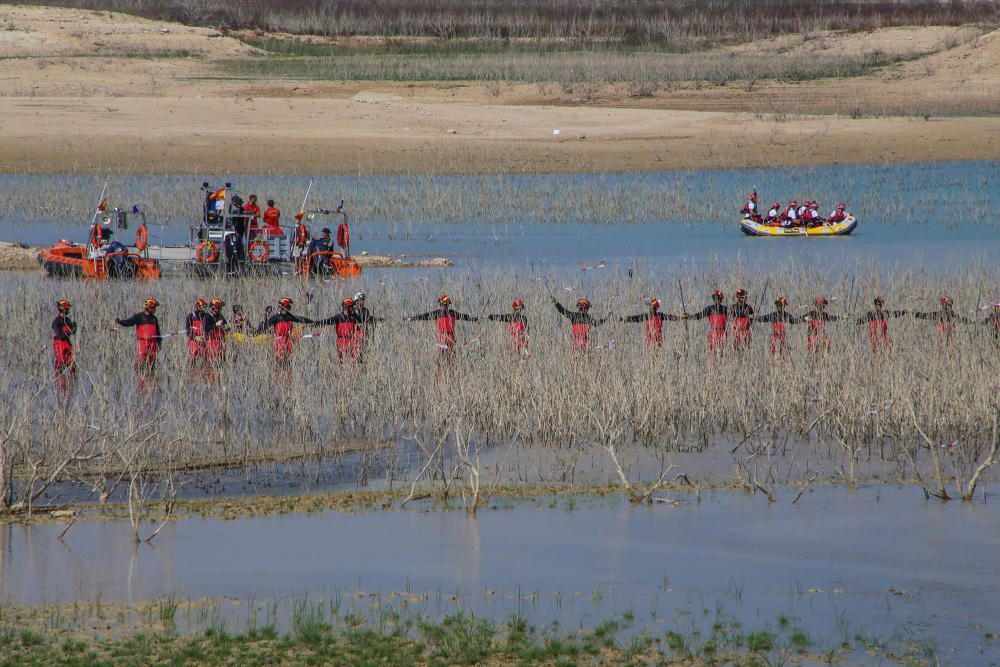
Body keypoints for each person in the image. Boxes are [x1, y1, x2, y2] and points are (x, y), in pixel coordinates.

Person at [408, 294, 479, 354]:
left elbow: (424, 316)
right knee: (450, 356)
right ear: (447, 304)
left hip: (443, 338)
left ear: (441, 304)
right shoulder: (452, 313)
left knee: (443, 357)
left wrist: (411, 318)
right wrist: (476, 319)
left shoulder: (438, 313)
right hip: (450, 338)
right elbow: (465, 317)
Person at [262, 297, 315, 366]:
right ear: (284, 307)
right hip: (279, 343)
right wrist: (266, 317)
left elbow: (301, 319)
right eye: (288, 306)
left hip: (288, 342)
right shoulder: (275, 317)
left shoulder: (289, 317)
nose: (289, 308)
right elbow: (266, 326)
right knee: (280, 362)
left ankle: (288, 374)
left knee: (288, 362)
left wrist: (313, 322)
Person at [117, 298, 162, 372]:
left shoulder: (154, 319)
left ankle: (151, 377)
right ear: (149, 308)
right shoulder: (138, 317)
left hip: (153, 343)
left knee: (152, 362)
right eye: (154, 308)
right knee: (140, 361)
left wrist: (159, 343)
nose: (155, 310)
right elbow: (129, 322)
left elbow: (158, 332)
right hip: (143, 342)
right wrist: (120, 322)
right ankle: (138, 376)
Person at [318, 298, 361, 362]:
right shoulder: (338, 317)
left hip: (352, 341)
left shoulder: (354, 318)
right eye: (351, 307)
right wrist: (317, 323)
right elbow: (327, 321)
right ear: (346, 307)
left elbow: (359, 329)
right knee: (343, 362)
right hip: (342, 342)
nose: (352, 309)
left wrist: (359, 340)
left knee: (355, 362)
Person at [52, 299, 77, 384]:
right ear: (63, 309)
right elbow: (60, 335)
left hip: (67, 343)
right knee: (61, 362)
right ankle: (59, 383)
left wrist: (74, 328)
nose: (68, 310)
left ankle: (72, 383)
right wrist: (70, 331)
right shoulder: (56, 322)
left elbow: (72, 331)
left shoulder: (68, 320)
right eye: (67, 309)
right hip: (59, 344)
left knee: (72, 362)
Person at [185, 298, 209, 365]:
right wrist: (195, 337)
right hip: (194, 342)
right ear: (198, 307)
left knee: (207, 361)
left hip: (204, 342)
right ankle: (192, 373)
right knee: (192, 360)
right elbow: (188, 331)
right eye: (202, 307)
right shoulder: (191, 316)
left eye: (205, 307)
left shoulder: (206, 316)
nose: (203, 309)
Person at [205, 298, 228, 363]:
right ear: (214, 308)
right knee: (212, 360)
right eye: (218, 307)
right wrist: (215, 324)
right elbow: (206, 328)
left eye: (220, 308)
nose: (219, 309)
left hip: (221, 341)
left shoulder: (220, 316)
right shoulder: (208, 316)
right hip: (212, 341)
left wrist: (227, 326)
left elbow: (226, 327)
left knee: (222, 359)